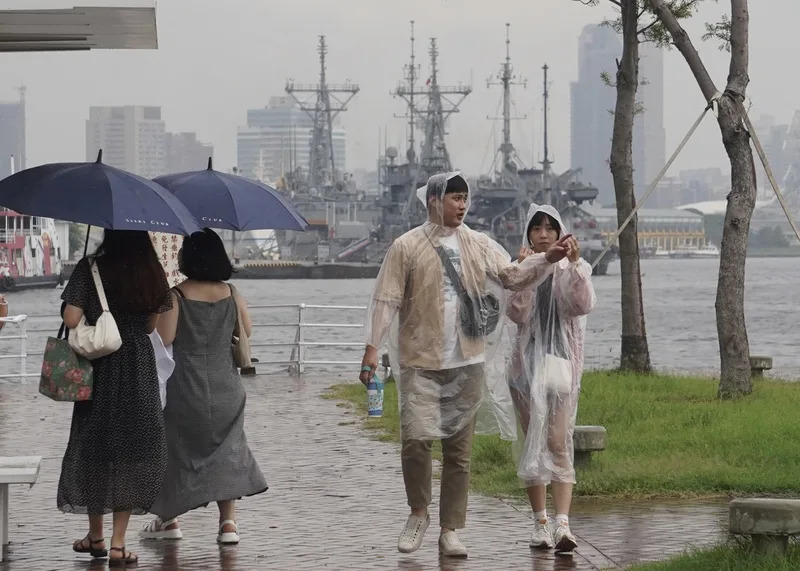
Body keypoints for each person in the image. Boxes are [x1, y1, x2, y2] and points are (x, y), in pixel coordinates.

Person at [358, 172, 574, 558]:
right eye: (454, 198)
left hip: (467, 359)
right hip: (418, 359)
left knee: (459, 453)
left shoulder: (479, 243)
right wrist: (372, 348)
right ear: (433, 202)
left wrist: (547, 258)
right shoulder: (405, 246)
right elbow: (386, 298)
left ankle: (450, 529)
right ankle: (418, 512)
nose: (461, 205)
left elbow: (511, 276)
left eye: (464, 198)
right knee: (416, 441)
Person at [139, 228, 267, 544]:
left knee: (174, 448)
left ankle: (168, 521)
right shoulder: (232, 292)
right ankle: (228, 525)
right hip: (227, 387)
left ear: (188, 258)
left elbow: (165, 338)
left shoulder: (176, 296)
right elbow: (247, 330)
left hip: (187, 386)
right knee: (228, 449)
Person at [60, 230, 172, 566]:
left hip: (99, 368)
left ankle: (94, 534)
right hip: (137, 366)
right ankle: (117, 544)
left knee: (96, 448)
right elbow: (152, 326)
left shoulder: (90, 267)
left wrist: (74, 299)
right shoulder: (152, 270)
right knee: (131, 453)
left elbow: (71, 319)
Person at [507, 204, 596, 553]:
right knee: (533, 444)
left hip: (560, 366)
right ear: (528, 233)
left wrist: (574, 266)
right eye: (537, 228)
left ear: (560, 234)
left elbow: (581, 305)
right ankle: (539, 522)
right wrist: (527, 271)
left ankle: (563, 524)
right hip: (524, 369)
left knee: (558, 442)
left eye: (550, 228)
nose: (543, 234)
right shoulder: (522, 268)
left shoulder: (574, 268)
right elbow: (517, 313)